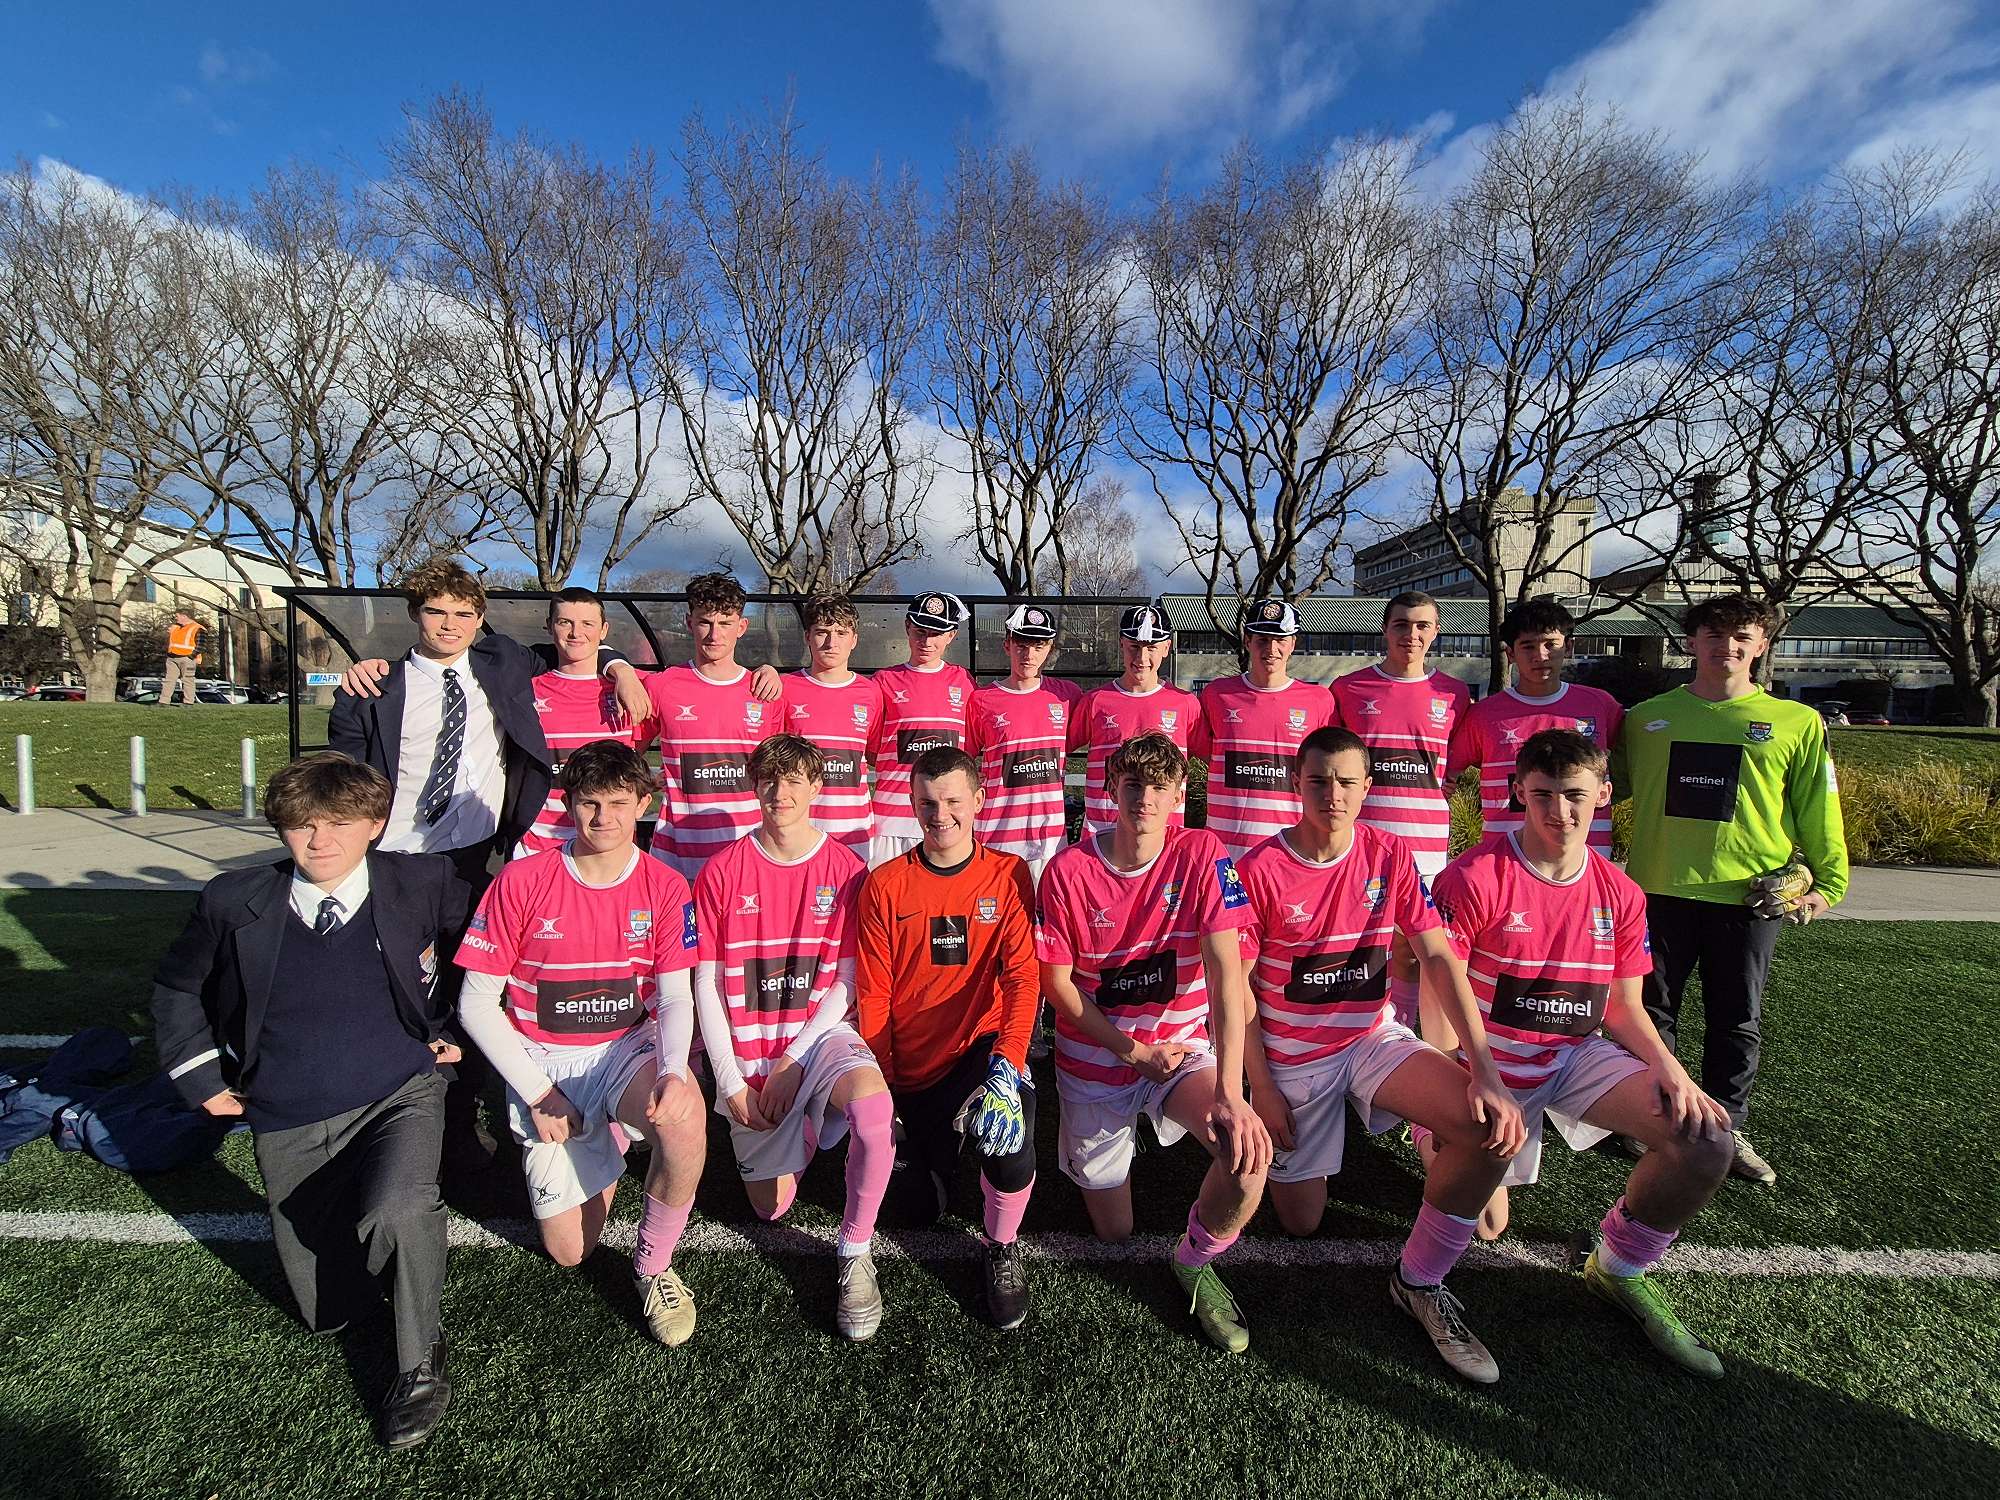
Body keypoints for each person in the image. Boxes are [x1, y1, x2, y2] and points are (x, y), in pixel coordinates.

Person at [151, 753, 468, 1449]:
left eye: (340, 823)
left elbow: (482, 947)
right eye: (302, 825)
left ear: (376, 824)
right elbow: (177, 988)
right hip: (287, 1105)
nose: (320, 840)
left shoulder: (423, 881)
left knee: (397, 1210)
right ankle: (363, 1287)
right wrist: (202, 1080)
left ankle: (420, 1361)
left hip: (399, 1090)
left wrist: (451, 1028)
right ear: (281, 829)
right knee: (327, 1307)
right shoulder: (234, 901)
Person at [1427, 728, 1736, 1378]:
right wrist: (1456, 1079)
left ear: (1603, 793)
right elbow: (1436, 991)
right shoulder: (1472, 877)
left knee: (1706, 1141)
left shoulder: (1621, 892)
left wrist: (1670, 1067)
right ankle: (1430, 1154)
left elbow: (1622, 1005)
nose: (1559, 811)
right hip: (1490, 1060)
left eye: (1574, 794)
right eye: (1543, 794)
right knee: (1487, 1219)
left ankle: (1618, 1268)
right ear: (1519, 791)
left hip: (1573, 1053)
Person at [329, 559, 650, 1172]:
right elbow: (342, 781)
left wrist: (622, 666)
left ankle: (461, 1125)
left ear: (480, 620)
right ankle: (374, 1116)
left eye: (463, 613)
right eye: (436, 612)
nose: (450, 624)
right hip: (394, 856)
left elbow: (577, 648)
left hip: (473, 859)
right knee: (390, 987)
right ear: (414, 615)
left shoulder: (500, 663)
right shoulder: (375, 687)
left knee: (470, 991)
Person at [1235, 727, 1525, 1383]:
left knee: (1486, 1135)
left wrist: (1483, 1069)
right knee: (1301, 1222)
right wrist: (1263, 1087)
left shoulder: (1389, 852)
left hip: (1371, 1039)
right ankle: (1407, 1126)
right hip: (1292, 1058)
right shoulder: (1257, 869)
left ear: (1368, 787)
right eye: (1318, 781)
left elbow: (1438, 956)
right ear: (1295, 783)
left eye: (1346, 782)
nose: (1332, 795)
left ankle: (1417, 1278)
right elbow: (1239, 993)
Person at [453, 742, 709, 1346]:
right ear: (569, 804)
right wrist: (540, 1094)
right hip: (545, 1064)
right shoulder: (522, 880)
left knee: (684, 1119)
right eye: (590, 803)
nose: (604, 818)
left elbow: (676, 997)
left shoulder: (666, 885)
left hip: (623, 1050)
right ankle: (604, 1135)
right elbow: (475, 1004)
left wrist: (673, 1071)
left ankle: (654, 1267)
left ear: (643, 804)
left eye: (619, 804)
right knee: (570, 1251)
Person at [1035, 732, 1273, 1353]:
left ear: (1179, 794)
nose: (1145, 798)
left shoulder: (1202, 852)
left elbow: (1226, 972)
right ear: (1110, 788)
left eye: (1160, 787)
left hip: (1180, 1051)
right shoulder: (1068, 870)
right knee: (1114, 1231)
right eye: (1133, 784)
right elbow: (1057, 987)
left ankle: (1194, 1260)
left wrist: (1232, 1092)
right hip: (1100, 1058)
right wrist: (1134, 1053)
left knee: (1247, 1157)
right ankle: (1120, 1137)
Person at [1612, 594, 1849, 1186]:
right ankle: (1653, 1119)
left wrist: (1827, 884)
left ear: (1762, 644)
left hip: (1748, 898)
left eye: (1742, 636)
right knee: (1648, 1014)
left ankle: (1726, 1128)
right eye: (1715, 635)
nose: (1728, 647)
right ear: (1692, 642)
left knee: (1736, 1019)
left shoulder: (1797, 721)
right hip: (1656, 891)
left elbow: (1818, 806)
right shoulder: (1646, 719)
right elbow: (1598, 789)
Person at [693, 734, 895, 1340]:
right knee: (771, 1210)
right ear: (754, 787)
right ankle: (810, 1126)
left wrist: (793, 1061)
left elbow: (847, 981)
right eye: (769, 781)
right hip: (749, 1048)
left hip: (820, 1036)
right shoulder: (722, 870)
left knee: (875, 1115)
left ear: (817, 788)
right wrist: (730, 1081)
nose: (780, 793)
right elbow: (706, 984)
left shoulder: (848, 870)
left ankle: (855, 1254)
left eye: (794, 781)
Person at [854, 746, 1040, 1329]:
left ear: (979, 801)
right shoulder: (885, 885)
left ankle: (1001, 1247)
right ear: (912, 805)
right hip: (912, 1073)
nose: (941, 816)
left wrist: (1009, 1063)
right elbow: (874, 996)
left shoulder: (1009, 875)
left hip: (978, 1053)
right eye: (928, 803)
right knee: (914, 1211)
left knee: (1012, 1132)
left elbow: (1023, 978)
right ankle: (940, 1148)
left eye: (954, 802)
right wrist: (885, 1089)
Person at [1329, 591, 1472, 1031]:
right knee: (1358, 943)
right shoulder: (1349, 688)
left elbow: (1456, 758)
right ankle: (1355, 1031)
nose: (1412, 634)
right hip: (1363, 843)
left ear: (1436, 633)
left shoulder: (1454, 694)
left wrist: (1448, 777)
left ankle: (1404, 1034)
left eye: (1422, 625)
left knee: (1412, 947)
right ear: (1386, 630)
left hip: (1425, 845)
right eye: (1402, 625)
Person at [1445, 597, 1623, 855]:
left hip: (1586, 851)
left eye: (1551, 644)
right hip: (1507, 854)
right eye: (1528, 646)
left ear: (1569, 646)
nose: (1540, 655)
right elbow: (1447, 773)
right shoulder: (1483, 715)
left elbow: (1630, 764)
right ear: (1511, 654)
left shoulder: (1600, 705)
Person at [643, 572, 789, 881]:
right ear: (689, 623)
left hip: (747, 850)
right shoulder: (662, 686)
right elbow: (625, 751)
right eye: (705, 622)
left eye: (725, 623)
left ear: (742, 627)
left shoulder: (764, 691)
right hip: (677, 854)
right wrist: (647, 780)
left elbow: (777, 771)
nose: (714, 634)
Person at [516, 587, 658, 858]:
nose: (575, 633)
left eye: (587, 624)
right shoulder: (526, 690)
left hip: (611, 848)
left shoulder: (639, 687)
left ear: (604, 630)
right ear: (549, 626)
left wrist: (623, 671)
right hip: (539, 846)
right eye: (565, 622)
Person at [1192, 597, 1336, 860]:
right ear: (1247, 641)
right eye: (1262, 639)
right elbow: (1205, 753)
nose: (1271, 648)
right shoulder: (1217, 694)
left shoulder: (1319, 700)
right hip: (1225, 848)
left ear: (1293, 644)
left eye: (1280, 640)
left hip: (1291, 849)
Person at [965, 603, 1081, 881]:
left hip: (1049, 841)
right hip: (996, 836)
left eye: (1038, 646)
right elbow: (965, 760)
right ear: (1007, 645)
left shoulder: (1068, 696)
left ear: (1050, 648)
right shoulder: (981, 700)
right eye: (1021, 645)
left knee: (1045, 909)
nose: (1029, 655)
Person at [1069, 603, 1201, 839]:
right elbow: (1055, 749)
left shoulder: (1186, 704)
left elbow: (1215, 759)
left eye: (1151, 647)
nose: (1142, 657)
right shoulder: (1095, 700)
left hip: (1163, 838)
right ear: (1121, 643)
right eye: (1134, 646)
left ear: (1166, 647)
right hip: (1104, 835)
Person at [867, 591, 977, 869]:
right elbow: (871, 749)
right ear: (907, 627)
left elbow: (970, 749)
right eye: (920, 631)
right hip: (891, 820)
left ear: (951, 635)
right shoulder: (883, 681)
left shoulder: (965, 682)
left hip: (946, 821)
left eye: (936, 633)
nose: (927, 641)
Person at [783, 593, 884, 855]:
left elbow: (873, 754)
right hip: (797, 831)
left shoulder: (871, 693)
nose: (831, 642)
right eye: (822, 632)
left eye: (841, 633)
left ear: (854, 640)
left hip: (854, 831)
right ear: (807, 636)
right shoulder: (784, 688)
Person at [161, 610, 203, 707]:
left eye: (177, 616)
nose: (176, 618)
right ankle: (163, 702)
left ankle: (188, 702)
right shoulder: (176, 627)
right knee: (169, 680)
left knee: (188, 680)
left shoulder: (197, 628)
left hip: (187, 658)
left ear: (184, 616)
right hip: (172, 657)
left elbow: (201, 645)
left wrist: (191, 657)